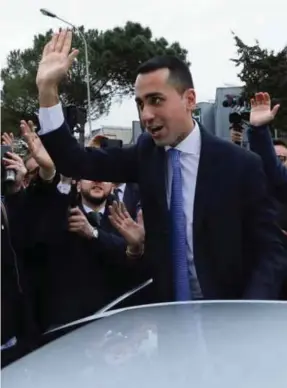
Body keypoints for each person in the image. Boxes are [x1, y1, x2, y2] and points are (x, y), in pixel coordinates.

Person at [25, 30, 286, 302]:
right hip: (168, 321)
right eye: (140, 104)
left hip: (231, 319)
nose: (146, 115)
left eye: (156, 100)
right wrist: (47, 90)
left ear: (189, 100)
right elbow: (75, 161)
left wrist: (249, 311)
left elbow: (271, 251)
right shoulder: (145, 154)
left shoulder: (240, 165)